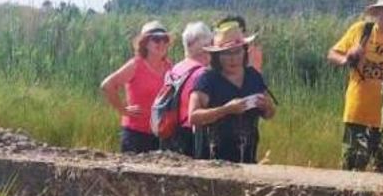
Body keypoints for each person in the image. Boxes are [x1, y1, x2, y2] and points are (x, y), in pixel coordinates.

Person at [329, 0, 383, 171]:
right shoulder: (362, 31)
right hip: (359, 115)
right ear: (378, 11)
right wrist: (346, 58)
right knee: (351, 173)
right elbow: (332, 54)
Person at [187, 21, 275, 163]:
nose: (233, 58)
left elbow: (270, 114)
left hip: (248, 157)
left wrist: (267, 106)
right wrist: (225, 110)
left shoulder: (253, 76)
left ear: (244, 52)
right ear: (218, 56)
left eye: (237, 52)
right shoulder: (207, 80)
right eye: (227, 54)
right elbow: (193, 116)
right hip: (214, 160)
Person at [100, 20, 172, 154]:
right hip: (135, 133)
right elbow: (107, 85)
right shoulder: (136, 65)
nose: (161, 43)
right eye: (156, 39)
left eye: (165, 39)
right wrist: (123, 110)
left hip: (161, 134)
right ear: (145, 43)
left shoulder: (170, 67)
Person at [163, 21, 213, 156]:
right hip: (195, 133)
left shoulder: (175, 69)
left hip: (172, 130)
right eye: (209, 43)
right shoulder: (203, 73)